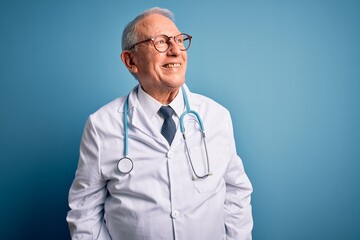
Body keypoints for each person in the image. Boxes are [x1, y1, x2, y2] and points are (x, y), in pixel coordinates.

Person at [66, 7, 253, 240]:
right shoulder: (101, 125)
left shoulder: (217, 116)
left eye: (179, 40)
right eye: (161, 42)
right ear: (130, 60)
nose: (176, 51)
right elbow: (84, 211)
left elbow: (236, 194)